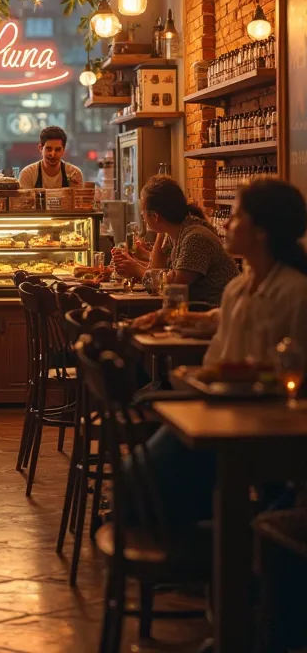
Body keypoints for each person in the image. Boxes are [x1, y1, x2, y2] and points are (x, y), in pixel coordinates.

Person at [130, 179, 307, 529]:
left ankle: (213, 554)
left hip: (260, 429)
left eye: (236, 216)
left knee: (144, 482)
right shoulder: (241, 286)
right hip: (220, 412)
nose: (225, 223)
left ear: (261, 231)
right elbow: (220, 338)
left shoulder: (295, 293)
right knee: (137, 478)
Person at [112, 174, 239, 305]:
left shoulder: (196, 238)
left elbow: (173, 286)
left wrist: (136, 269)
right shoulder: (175, 231)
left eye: (143, 212)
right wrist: (161, 231)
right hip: (196, 310)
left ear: (155, 216)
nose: (142, 217)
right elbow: (157, 269)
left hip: (216, 313)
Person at [18, 125, 84, 190]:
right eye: (49, 149)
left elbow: (78, 200)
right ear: (40, 148)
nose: (53, 154)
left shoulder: (74, 173)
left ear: (63, 150)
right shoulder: (28, 174)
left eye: (57, 149)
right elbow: (23, 200)